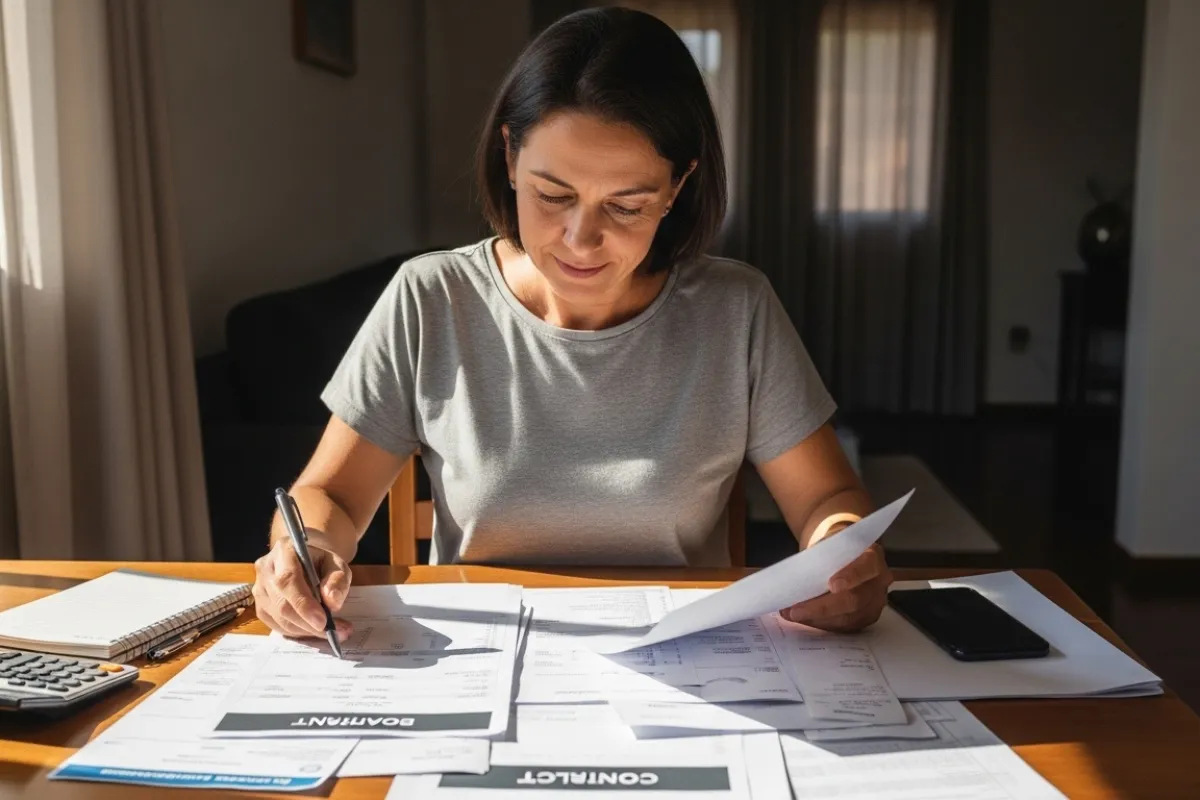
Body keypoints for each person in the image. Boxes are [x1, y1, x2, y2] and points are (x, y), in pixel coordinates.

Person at [252, 7, 891, 644]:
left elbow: (825, 496)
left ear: (678, 186)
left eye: (626, 205)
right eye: (553, 196)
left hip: (684, 655)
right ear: (509, 155)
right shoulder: (432, 298)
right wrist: (302, 550)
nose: (582, 240)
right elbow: (329, 495)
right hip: (479, 655)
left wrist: (843, 555)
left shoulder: (736, 310)